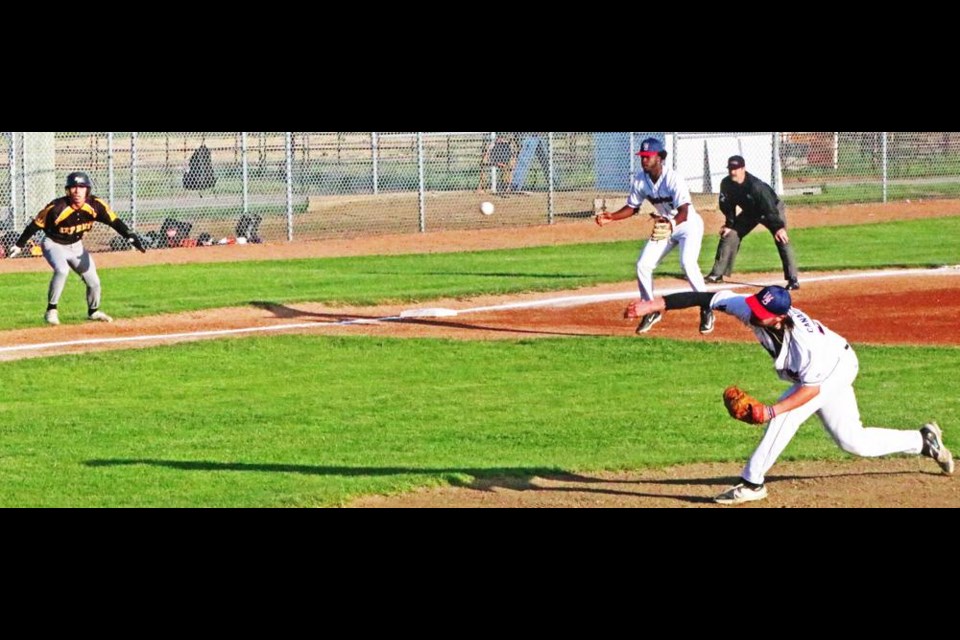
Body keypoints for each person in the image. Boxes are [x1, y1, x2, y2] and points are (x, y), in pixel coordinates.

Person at [624, 285, 954, 505]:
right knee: (854, 441)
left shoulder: (807, 348)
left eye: (761, 311)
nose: (752, 313)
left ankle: (752, 483)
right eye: (754, 305)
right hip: (825, 367)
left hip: (835, 367)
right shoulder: (752, 309)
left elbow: (810, 390)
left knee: (786, 416)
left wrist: (770, 411)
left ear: (780, 317)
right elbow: (706, 298)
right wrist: (659, 304)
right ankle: (922, 441)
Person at [595, 137, 713, 335]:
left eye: (648, 156)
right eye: (642, 156)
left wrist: (671, 223)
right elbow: (632, 207)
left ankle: (706, 306)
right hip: (664, 226)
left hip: (687, 226)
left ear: (660, 158)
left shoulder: (674, 178)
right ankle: (651, 309)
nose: (644, 160)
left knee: (687, 263)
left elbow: (684, 211)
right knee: (643, 264)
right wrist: (612, 217)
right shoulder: (641, 180)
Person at [7, 171, 146, 325]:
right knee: (62, 270)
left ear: (88, 190)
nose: (77, 191)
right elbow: (35, 225)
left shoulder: (95, 205)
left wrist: (130, 236)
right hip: (53, 244)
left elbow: (114, 221)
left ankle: (93, 312)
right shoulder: (57, 207)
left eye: (81, 187)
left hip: (76, 247)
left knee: (94, 282)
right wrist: (19, 245)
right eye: (73, 187)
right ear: (68, 190)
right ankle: (51, 310)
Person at [705, 155, 800, 290]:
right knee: (730, 234)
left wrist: (778, 227)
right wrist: (729, 224)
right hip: (750, 212)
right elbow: (727, 206)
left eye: (736, 169)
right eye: (731, 168)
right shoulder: (726, 184)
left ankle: (793, 279)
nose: (733, 172)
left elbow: (769, 207)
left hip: (771, 210)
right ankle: (717, 274)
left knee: (781, 238)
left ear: (743, 169)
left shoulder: (756, 186)